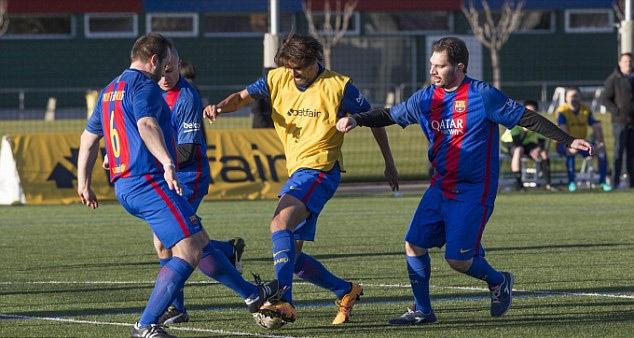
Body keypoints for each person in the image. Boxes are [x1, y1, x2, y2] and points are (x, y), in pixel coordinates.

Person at [336, 37, 594, 325]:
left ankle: (498, 281)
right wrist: (357, 119)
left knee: (457, 260)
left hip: (474, 190)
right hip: (440, 187)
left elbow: (527, 118)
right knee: (414, 244)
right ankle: (423, 311)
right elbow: (388, 114)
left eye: (440, 66)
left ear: (459, 67)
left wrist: (569, 140)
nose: (433, 71)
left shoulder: (483, 95)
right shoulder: (425, 98)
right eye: (432, 65)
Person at [77, 33, 279, 338]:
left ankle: (252, 293)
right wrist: (167, 162)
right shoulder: (144, 84)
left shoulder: (109, 90)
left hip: (127, 186)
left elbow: (89, 139)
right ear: (155, 60)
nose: (169, 72)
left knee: (194, 241)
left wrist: (84, 182)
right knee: (186, 251)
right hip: (149, 181)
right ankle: (146, 324)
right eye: (168, 65)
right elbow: (146, 125)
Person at [203, 33, 399, 326]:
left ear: (314, 61)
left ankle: (283, 301)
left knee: (278, 223)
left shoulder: (338, 86)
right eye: (289, 68)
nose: (293, 74)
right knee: (292, 257)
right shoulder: (278, 78)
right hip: (299, 172)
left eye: (299, 68)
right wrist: (219, 107)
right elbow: (242, 98)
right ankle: (346, 291)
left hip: (320, 170)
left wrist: (389, 163)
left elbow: (374, 117)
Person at [155, 47, 248, 324]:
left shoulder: (186, 96)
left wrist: (150, 158)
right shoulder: (148, 91)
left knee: (169, 240)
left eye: (170, 70)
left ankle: (178, 308)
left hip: (188, 176)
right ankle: (229, 252)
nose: (164, 77)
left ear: (178, 65)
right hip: (165, 175)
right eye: (160, 71)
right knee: (174, 241)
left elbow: (186, 151)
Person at [556, 87, 611, 192]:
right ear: (566, 98)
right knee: (572, 150)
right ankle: (571, 182)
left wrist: (600, 142)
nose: (574, 99)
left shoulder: (585, 110)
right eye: (572, 96)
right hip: (563, 143)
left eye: (576, 96)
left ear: (580, 97)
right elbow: (563, 130)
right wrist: (570, 144)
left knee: (601, 150)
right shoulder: (562, 111)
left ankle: (602, 181)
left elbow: (595, 125)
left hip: (582, 143)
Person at [501, 100, 556, 191]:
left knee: (543, 153)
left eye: (533, 111)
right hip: (509, 143)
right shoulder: (515, 121)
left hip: (525, 143)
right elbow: (517, 143)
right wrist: (525, 131)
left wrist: (538, 149)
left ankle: (548, 184)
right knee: (519, 150)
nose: (530, 114)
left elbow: (541, 140)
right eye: (527, 111)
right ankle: (519, 184)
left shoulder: (538, 122)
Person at [600, 52, 634, 189]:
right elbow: (605, 99)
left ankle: (632, 183)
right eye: (625, 61)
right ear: (620, 63)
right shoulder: (613, 79)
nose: (628, 64)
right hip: (619, 121)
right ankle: (615, 182)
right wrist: (617, 110)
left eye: (630, 61)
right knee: (619, 151)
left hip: (633, 121)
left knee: (631, 153)